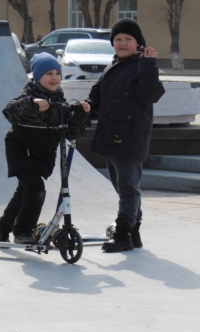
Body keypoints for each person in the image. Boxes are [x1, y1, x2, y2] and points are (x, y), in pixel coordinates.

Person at [80, 18, 165, 252]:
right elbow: (97, 96)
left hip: (130, 136)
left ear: (138, 43)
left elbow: (149, 95)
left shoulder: (142, 65)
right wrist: (87, 105)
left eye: (128, 39)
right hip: (111, 135)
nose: (123, 43)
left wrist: (149, 65)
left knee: (128, 187)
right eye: (118, 39)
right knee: (121, 187)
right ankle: (134, 233)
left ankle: (123, 234)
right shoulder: (114, 66)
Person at [0, 53, 90, 244]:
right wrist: (32, 103)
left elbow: (71, 133)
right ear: (37, 77)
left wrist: (81, 113)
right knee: (36, 188)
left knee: (25, 191)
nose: (54, 77)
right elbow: (9, 111)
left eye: (57, 73)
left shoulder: (60, 104)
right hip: (21, 152)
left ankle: (3, 225)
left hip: (42, 157)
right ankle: (22, 231)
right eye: (48, 73)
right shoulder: (29, 96)